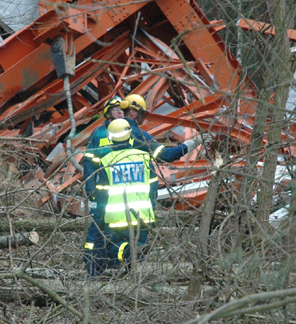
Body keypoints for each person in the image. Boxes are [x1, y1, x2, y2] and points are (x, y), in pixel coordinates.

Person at [84, 119, 205, 278]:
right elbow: (153, 183)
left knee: (114, 248)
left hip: (117, 217)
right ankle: (130, 278)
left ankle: (127, 254)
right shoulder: (143, 157)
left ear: (111, 138)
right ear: (130, 135)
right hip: (143, 214)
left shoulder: (107, 161)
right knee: (137, 251)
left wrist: (97, 208)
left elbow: (103, 190)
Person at [81, 97, 125, 275]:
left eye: (121, 109)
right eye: (115, 109)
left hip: (122, 192)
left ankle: (114, 267)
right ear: (108, 113)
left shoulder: (130, 131)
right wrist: (90, 186)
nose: (119, 111)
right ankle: (92, 267)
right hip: (103, 192)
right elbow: (89, 161)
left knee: (118, 229)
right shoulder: (99, 134)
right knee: (97, 230)